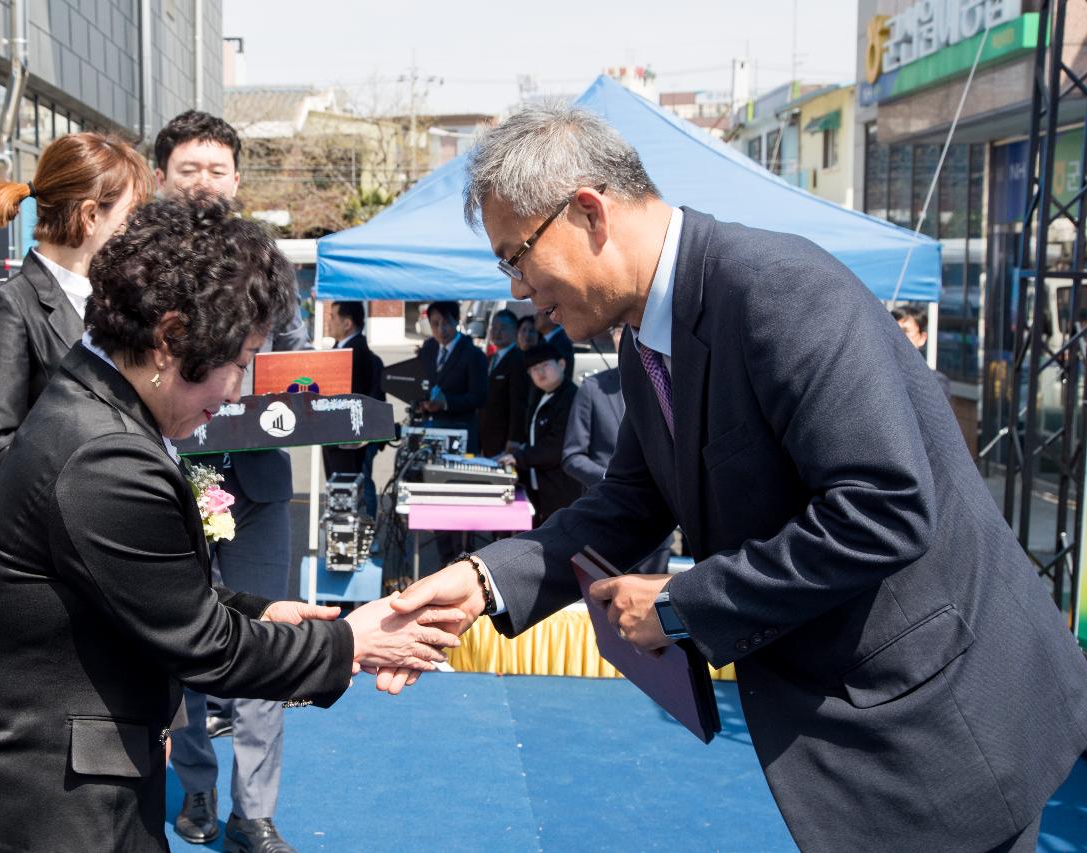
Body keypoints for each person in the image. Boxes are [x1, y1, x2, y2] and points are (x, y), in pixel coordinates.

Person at [389, 105, 1087, 852]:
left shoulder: (774, 289)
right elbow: (631, 502)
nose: (518, 289)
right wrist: (483, 579)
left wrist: (683, 604)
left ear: (589, 211)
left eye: (516, 256)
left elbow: (883, 509)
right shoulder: (645, 339)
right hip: (876, 730)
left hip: (945, 723)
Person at [0, 197, 460, 853]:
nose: (238, 390)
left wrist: (263, 609)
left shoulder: (99, 399)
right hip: (27, 806)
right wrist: (352, 643)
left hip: (39, 787)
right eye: (240, 359)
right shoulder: (105, 451)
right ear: (169, 337)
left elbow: (144, 583)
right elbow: (205, 646)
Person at [152, 109, 309, 852]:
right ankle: (197, 787)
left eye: (218, 170)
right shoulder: (142, 260)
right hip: (171, 478)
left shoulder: (268, 260)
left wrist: (290, 391)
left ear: (238, 179)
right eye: (190, 169)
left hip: (258, 484)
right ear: (162, 178)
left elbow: (303, 364)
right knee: (181, 640)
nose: (205, 182)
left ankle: (256, 811)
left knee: (266, 635)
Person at [0, 132, 151, 483]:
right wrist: (90, 491)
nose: (131, 233)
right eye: (126, 221)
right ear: (90, 216)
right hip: (62, 521)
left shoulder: (119, 296)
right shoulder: (8, 306)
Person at [561, 325, 670, 572]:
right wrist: (613, 480)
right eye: (618, 330)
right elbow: (572, 455)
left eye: (629, 329)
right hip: (607, 518)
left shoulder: (662, 382)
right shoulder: (592, 388)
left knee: (652, 607)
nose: (624, 335)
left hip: (657, 524)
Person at [497, 342, 582, 525]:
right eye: (534, 369)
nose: (540, 372)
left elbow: (556, 446)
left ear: (561, 364)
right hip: (540, 487)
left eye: (545, 365)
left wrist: (519, 457)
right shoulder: (540, 394)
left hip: (563, 488)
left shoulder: (572, 397)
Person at [322, 300, 384, 517]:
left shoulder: (356, 352)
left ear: (347, 323)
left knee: (353, 486)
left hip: (350, 439)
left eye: (332, 317)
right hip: (336, 437)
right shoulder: (342, 349)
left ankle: (361, 535)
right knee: (341, 487)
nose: (328, 322)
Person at [415, 300, 488, 453]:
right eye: (435, 324)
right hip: (429, 429)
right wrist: (422, 402)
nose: (441, 329)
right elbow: (421, 382)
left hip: (461, 432)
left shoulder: (473, 354)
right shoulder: (428, 348)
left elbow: (479, 397)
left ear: (457, 320)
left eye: (446, 322)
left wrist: (446, 403)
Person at [477, 308, 528, 458]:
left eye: (503, 328)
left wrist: (514, 438)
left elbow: (519, 403)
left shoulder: (519, 360)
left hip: (504, 437)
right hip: (484, 433)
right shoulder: (490, 359)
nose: (497, 332)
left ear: (515, 331)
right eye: (494, 327)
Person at [891, 304, 952, 402]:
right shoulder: (878, 375)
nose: (898, 337)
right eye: (892, 330)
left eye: (905, 331)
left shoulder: (936, 382)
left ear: (922, 338)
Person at [533, 303, 575, 376]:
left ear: (552, 316)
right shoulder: (544, 340)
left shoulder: (562, 342)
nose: (535, 317)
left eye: (539, 314)